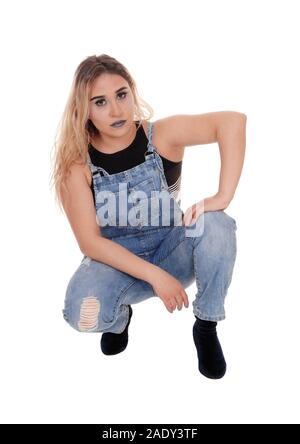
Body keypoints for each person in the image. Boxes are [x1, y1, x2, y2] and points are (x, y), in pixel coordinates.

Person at [50, 54, 246, 380]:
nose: (116, 110)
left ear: (132, 92)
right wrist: (154, 276)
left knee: (217, 222)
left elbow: (232, 121)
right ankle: (120, 319)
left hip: (172, 249)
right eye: (100, 102)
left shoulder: (162, 136)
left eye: (121, 94)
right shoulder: (78, 165)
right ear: (84, 110)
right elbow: (90, 243)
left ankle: (207, 324)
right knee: (80, 315)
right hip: (117, 263)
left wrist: (222, 195)